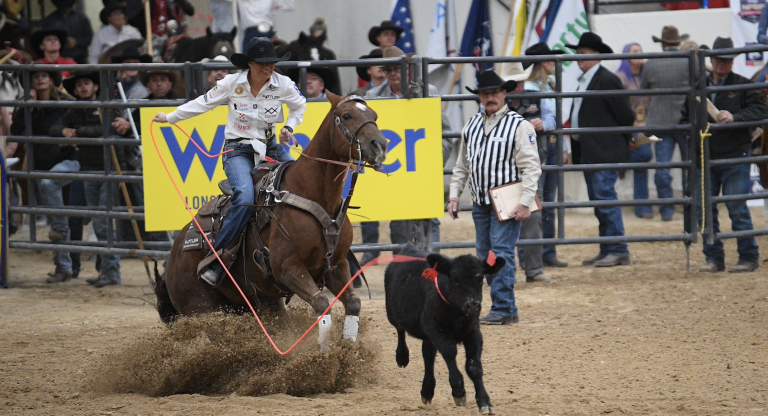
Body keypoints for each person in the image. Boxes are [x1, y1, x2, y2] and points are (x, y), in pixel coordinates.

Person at [152, 38, 306, 286]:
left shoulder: (284, 84)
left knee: (303, 182)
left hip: (271, 147)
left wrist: (289, 126)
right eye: (262, 64)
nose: (268, 68)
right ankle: (219, 256)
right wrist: (170, 118)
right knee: (244, 197)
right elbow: (203, 103)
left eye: (272, 63)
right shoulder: (232, 83)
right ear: (250, 64)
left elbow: (299, 105)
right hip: (238, 150)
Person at [447, 70, 542, 325]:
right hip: (481, 201)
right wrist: (454, 195)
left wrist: (525, 202)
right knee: (485, 254)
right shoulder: (472, 126)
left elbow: (531, 167)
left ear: (504, 94)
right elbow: (462, 165)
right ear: (479, 96)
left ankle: (504, 307)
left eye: (495, 92)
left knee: (499, 253)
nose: (490, 97)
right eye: (485, 93)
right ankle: (501, 306)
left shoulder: (519, 125)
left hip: (508, 202)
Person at [681, 37, 766, 273]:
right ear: (712, 60)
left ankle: (748, 256)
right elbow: (684, 116)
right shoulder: (699, 87)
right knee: (704, 209)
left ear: (732, 61)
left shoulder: (743, 85)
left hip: (733, 154)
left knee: (736, 206)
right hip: (704, 155)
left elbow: (761, 110)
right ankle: (714, 256)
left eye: (726, 60)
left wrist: (735, 117)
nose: (722, 64)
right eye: (719, 59)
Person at [362, 46, 451, 265]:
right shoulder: (373, 96)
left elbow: (446, 134)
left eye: (398, 68)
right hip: (392, 174)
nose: (394, 73)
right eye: (389, 69)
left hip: (420, 172)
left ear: (409, 70)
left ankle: (432, 269)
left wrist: (430, 161)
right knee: (398, 225)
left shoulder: (428, 91)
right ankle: (404, 273)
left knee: (428, 222)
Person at [566, 32, 635, 267]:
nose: (579, 57)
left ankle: (618, 248)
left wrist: (626, 138)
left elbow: (626, 114)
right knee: (599, 199)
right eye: (578, 53)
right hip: (591, 149)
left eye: (584, 53)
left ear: (597, 55)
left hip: (603, 149)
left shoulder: (606, 80)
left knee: (604, 197)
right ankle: (608, 248)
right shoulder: (588, 79)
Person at [50, 72, 125, 287]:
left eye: (87, 83)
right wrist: (64, 131)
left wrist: (77, 133)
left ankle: (111, 272)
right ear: (74, 90)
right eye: (80, 84)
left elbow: (107, 129)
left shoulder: (108, 106)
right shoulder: (75, 110)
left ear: (95, 87)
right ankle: (108, 272)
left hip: (110, 169)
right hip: (90, 169)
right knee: (99, 222)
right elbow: (54, 127)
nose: (83, 87)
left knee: (102, 223)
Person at [10, 66, 77, 282]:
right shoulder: (29, 106)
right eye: (35, 76)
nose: (39, 79)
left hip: (67, 162)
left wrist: (70, 136)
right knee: (58, 213)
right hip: (43, 165)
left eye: (43, 75)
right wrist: (26, 105)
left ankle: (68, 266)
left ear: (51, 79)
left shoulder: (65, 103)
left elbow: (77, 124)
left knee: (63, 210)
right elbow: (15, 129)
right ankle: (64, 267)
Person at [500, 61, 551, 283]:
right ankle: (507, 270)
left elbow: (552, 117)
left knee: (533, 218)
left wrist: (544, 124)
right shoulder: (496, 102)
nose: (519, 86)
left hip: (530, 167)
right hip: (504, 169)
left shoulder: (536, 97)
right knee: (503, 219)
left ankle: (534, 269)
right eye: (514, 83)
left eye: (520, 81)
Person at [523, 42, 570, 268]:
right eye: (549, 58)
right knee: (536, 200)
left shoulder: (547, 85)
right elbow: (552, 119)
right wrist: (548, 124)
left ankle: (545, 252)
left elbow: (553, 119)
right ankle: (534, 254)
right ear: (541, 63)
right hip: (539, 145)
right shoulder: (530, 89)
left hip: (548, 143)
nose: (554, 62)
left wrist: (562, 144)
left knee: (546, 201)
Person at [642, 26, 691, 221]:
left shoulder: (652, 63)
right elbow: (701, 83)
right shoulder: (688, 60)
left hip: (660, 121)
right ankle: (690, 204)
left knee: (662, 166)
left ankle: (666, 209)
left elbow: (644, 88)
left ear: (662, 44)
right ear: (678, 43)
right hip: (685, 119)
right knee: (690, 164)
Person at [615, 42, 653, 219]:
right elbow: (619, 105)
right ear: (627, 56)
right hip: (627, 125)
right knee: (643, 157)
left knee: (643, 160)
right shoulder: (620, 77)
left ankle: (642, 205)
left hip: (646, 124)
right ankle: (642, 206)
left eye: (640, 50)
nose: (639, 53)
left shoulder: (648, 76)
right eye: (635, 51)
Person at [41, 0, 93, 64]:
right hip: (57, 62)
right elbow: (45, 39)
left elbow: (89, 38)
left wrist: (76, 42)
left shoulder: (82, 18)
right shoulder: (50, 20)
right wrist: (60, 42)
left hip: (80, 60)